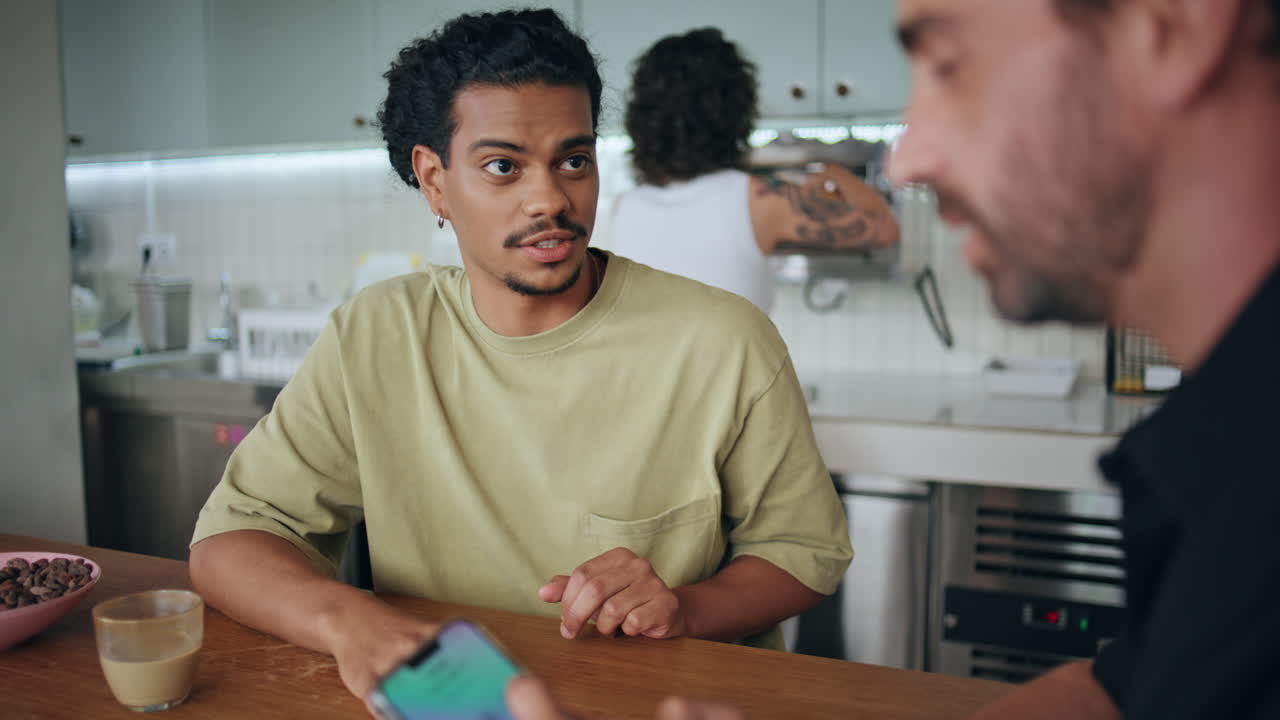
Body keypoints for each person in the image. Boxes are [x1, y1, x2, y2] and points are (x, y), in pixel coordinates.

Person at [511, 0, 1280, 717]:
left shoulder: (628, 209)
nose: (907, 158)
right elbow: (1126, 684)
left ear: (1174, 25)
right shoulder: (757, 198)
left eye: (950, 66)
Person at [187, 7, 853, 714]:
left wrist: (683, 607)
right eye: (503, 167)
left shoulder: (725, 341)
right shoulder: (374, 335)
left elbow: (801, 554)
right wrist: (352, 623)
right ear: (435, 181)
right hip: (457, 706)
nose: (551, 199)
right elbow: (233, 539)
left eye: (574, 160)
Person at [610, 28, 899, 314]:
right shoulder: (756, 197)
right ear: (734, 111)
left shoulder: (625, 208)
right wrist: (834, 172)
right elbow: (885, 230)